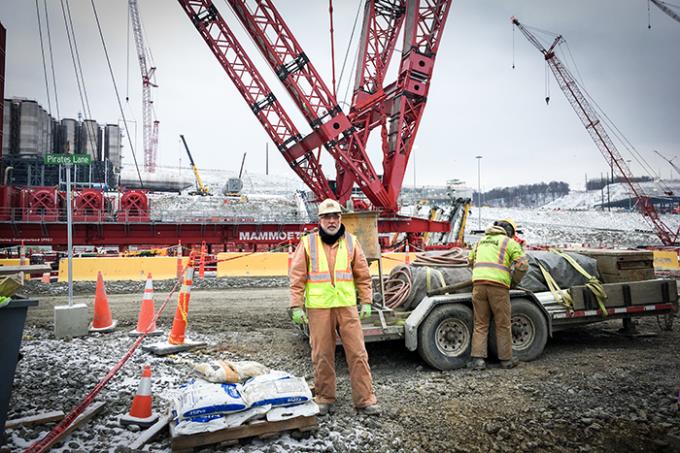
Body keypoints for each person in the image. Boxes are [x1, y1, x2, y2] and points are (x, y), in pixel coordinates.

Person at [289, 198, 380, 416]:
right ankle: (324, 397)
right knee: (322, 354)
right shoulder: (308, 243)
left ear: (340, 218)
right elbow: (297, 277)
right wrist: (296, 306)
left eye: (335, 216)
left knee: (358, 353)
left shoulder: (351, 242)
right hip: (319, 308)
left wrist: (366, 301)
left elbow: (363, 275)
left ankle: (365, 400)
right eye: (327, 217)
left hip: (346, 307)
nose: (331, 221)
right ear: (319, 220)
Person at [467, 218, 529, 370]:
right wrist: (513, 282)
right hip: (499, 288)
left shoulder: (479, 242)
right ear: (509, 232)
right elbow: (523, 265)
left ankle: (478, 360)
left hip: (478, 286)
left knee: (480, 323)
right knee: (502, 324)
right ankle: (506, 360)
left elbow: (469, 261)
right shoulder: (509, 243)